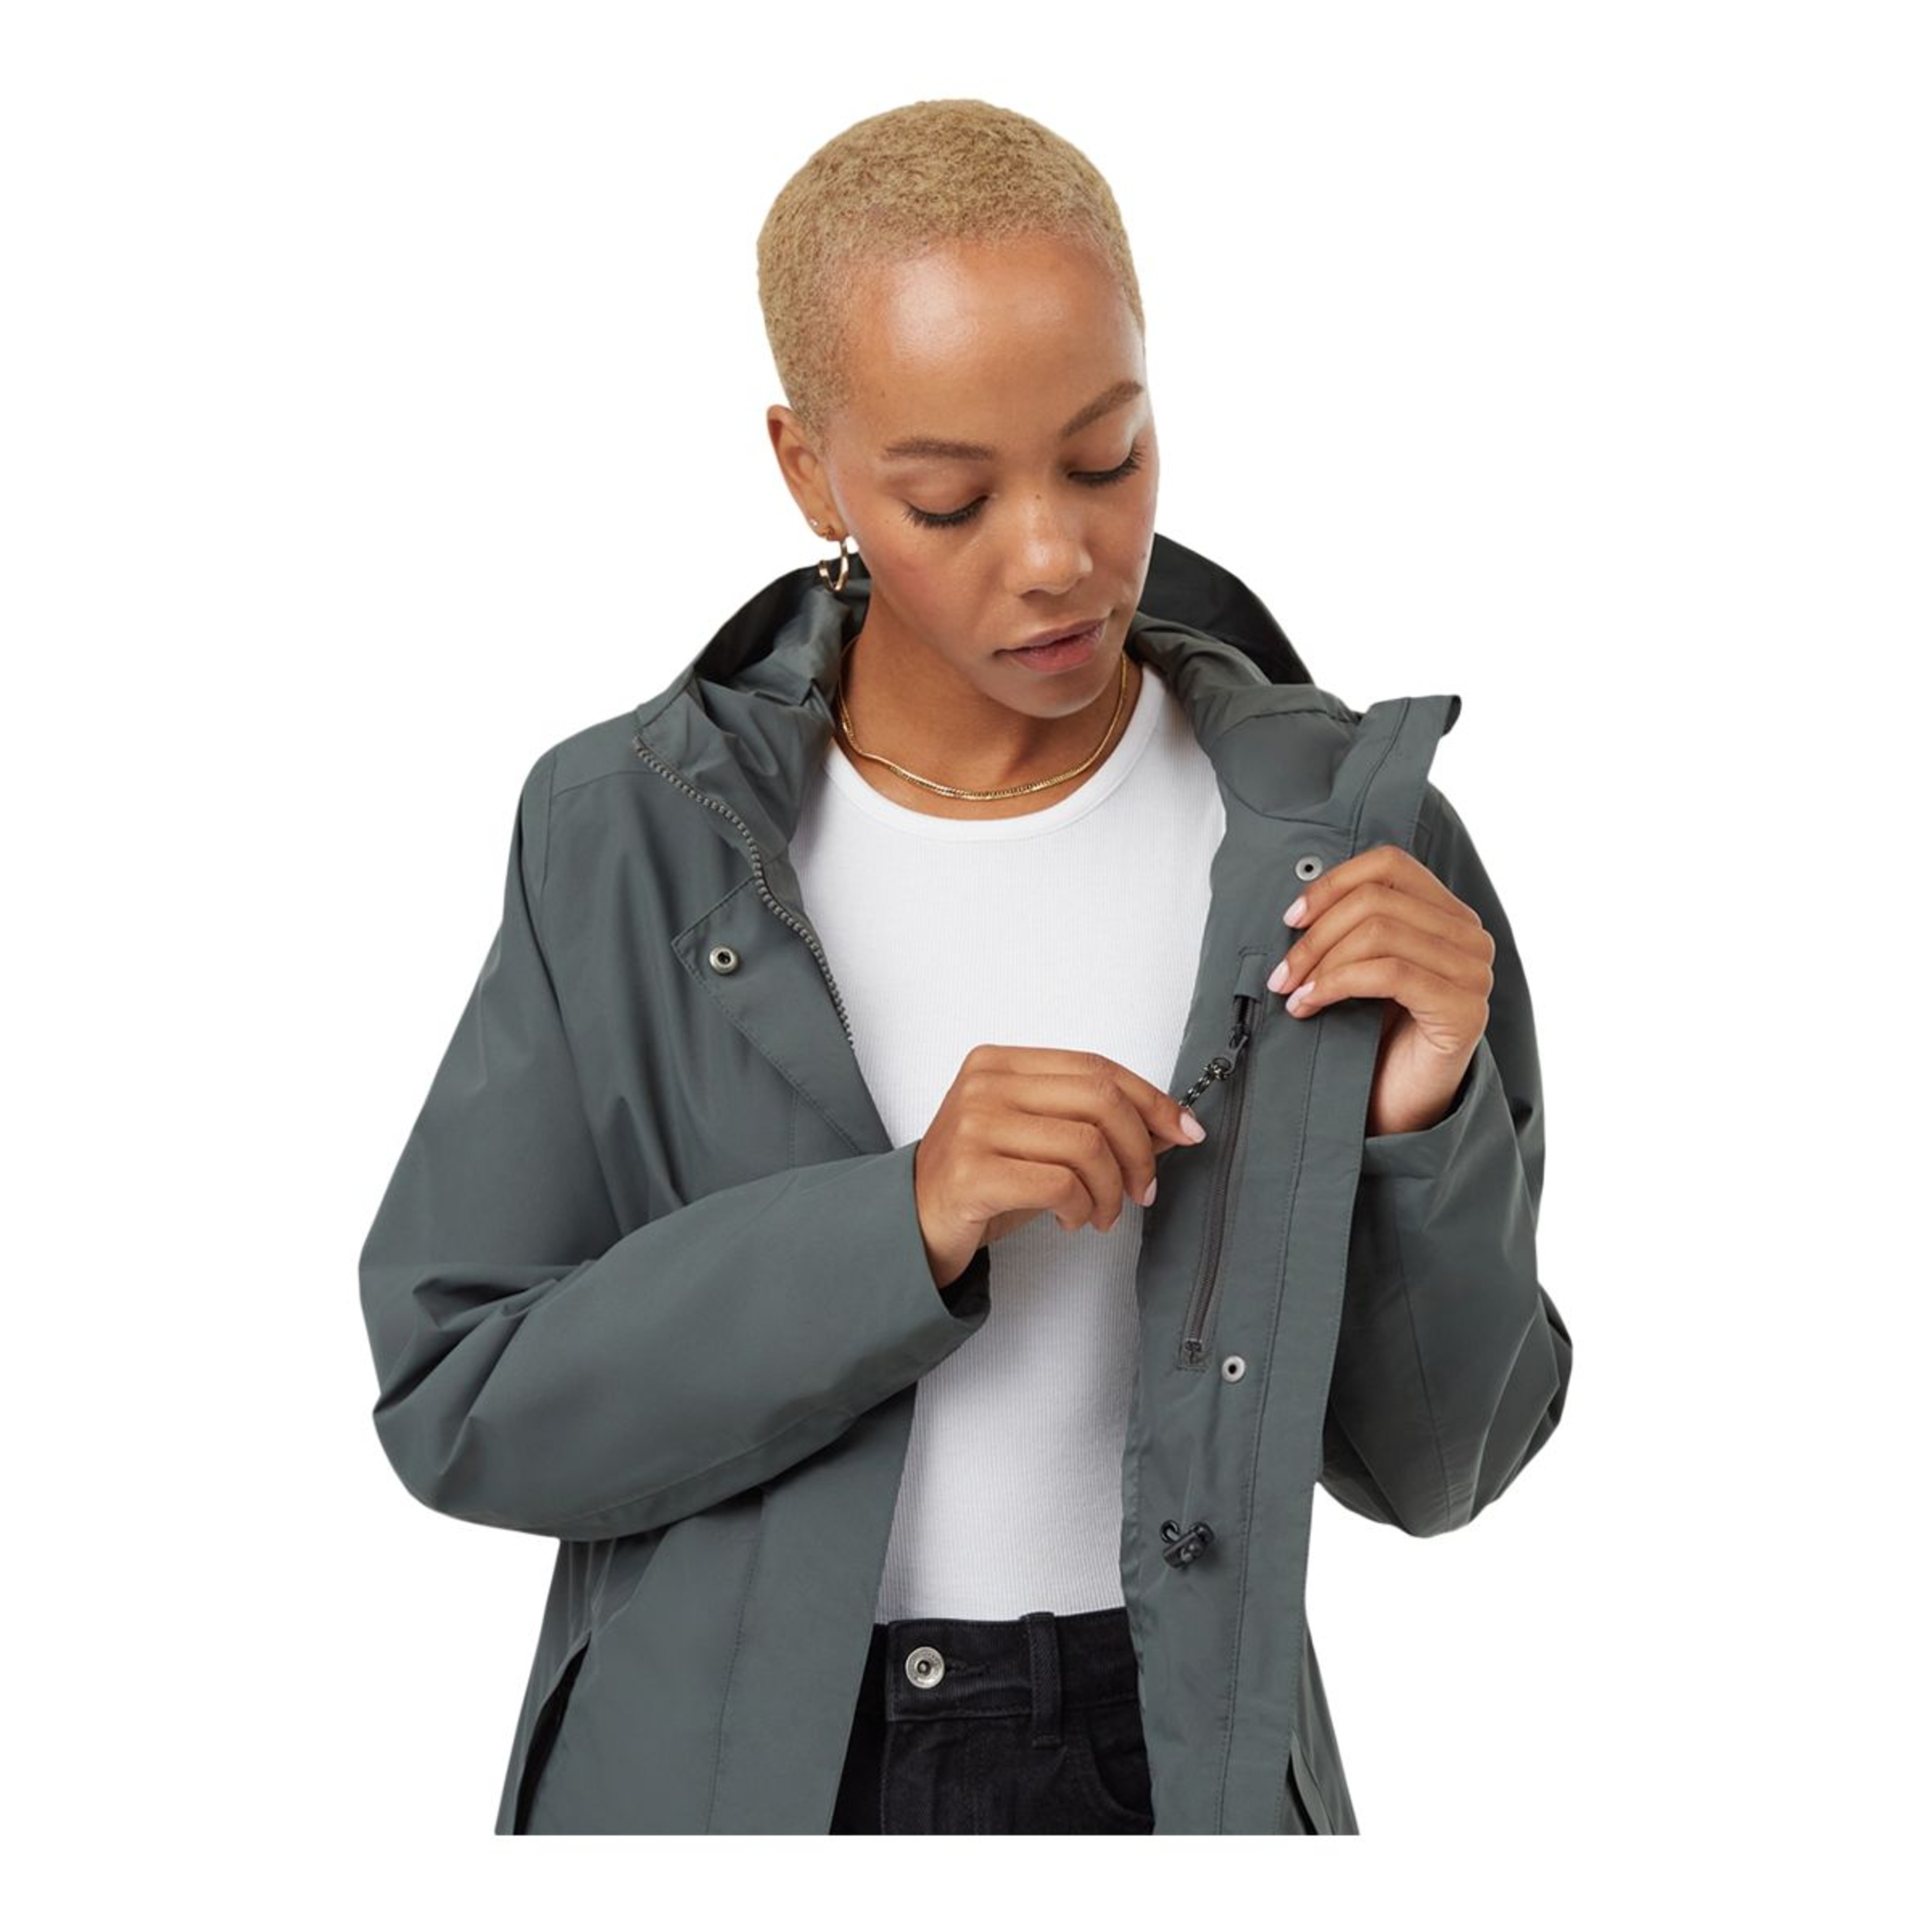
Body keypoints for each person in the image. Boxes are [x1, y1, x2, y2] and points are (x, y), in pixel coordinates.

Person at [358, 98, 1572, 1835]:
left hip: (1178, 1772)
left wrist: (1420, 1125)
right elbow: (461, 1400)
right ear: (810, 471)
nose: (1055, 556)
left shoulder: (1340, 842)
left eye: (1107, 458)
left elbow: (1442, 1466)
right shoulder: (628, 832)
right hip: (732, 1791)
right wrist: (900, 1220)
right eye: (949, 498)